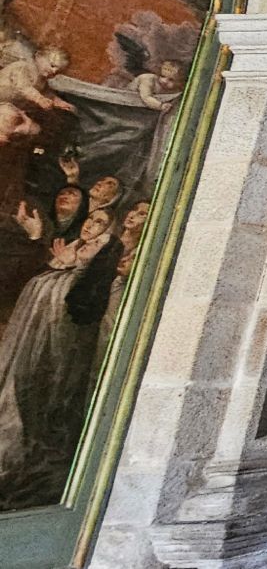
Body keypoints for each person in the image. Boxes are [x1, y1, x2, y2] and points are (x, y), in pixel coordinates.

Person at [0, 207, 120, 506]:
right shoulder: (59, 266)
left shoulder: (88, 285)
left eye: (99, 232)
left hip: (47, 365)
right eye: (91, 222)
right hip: (18, 356)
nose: (90, 233)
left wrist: (78, 270)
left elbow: (72, 328)